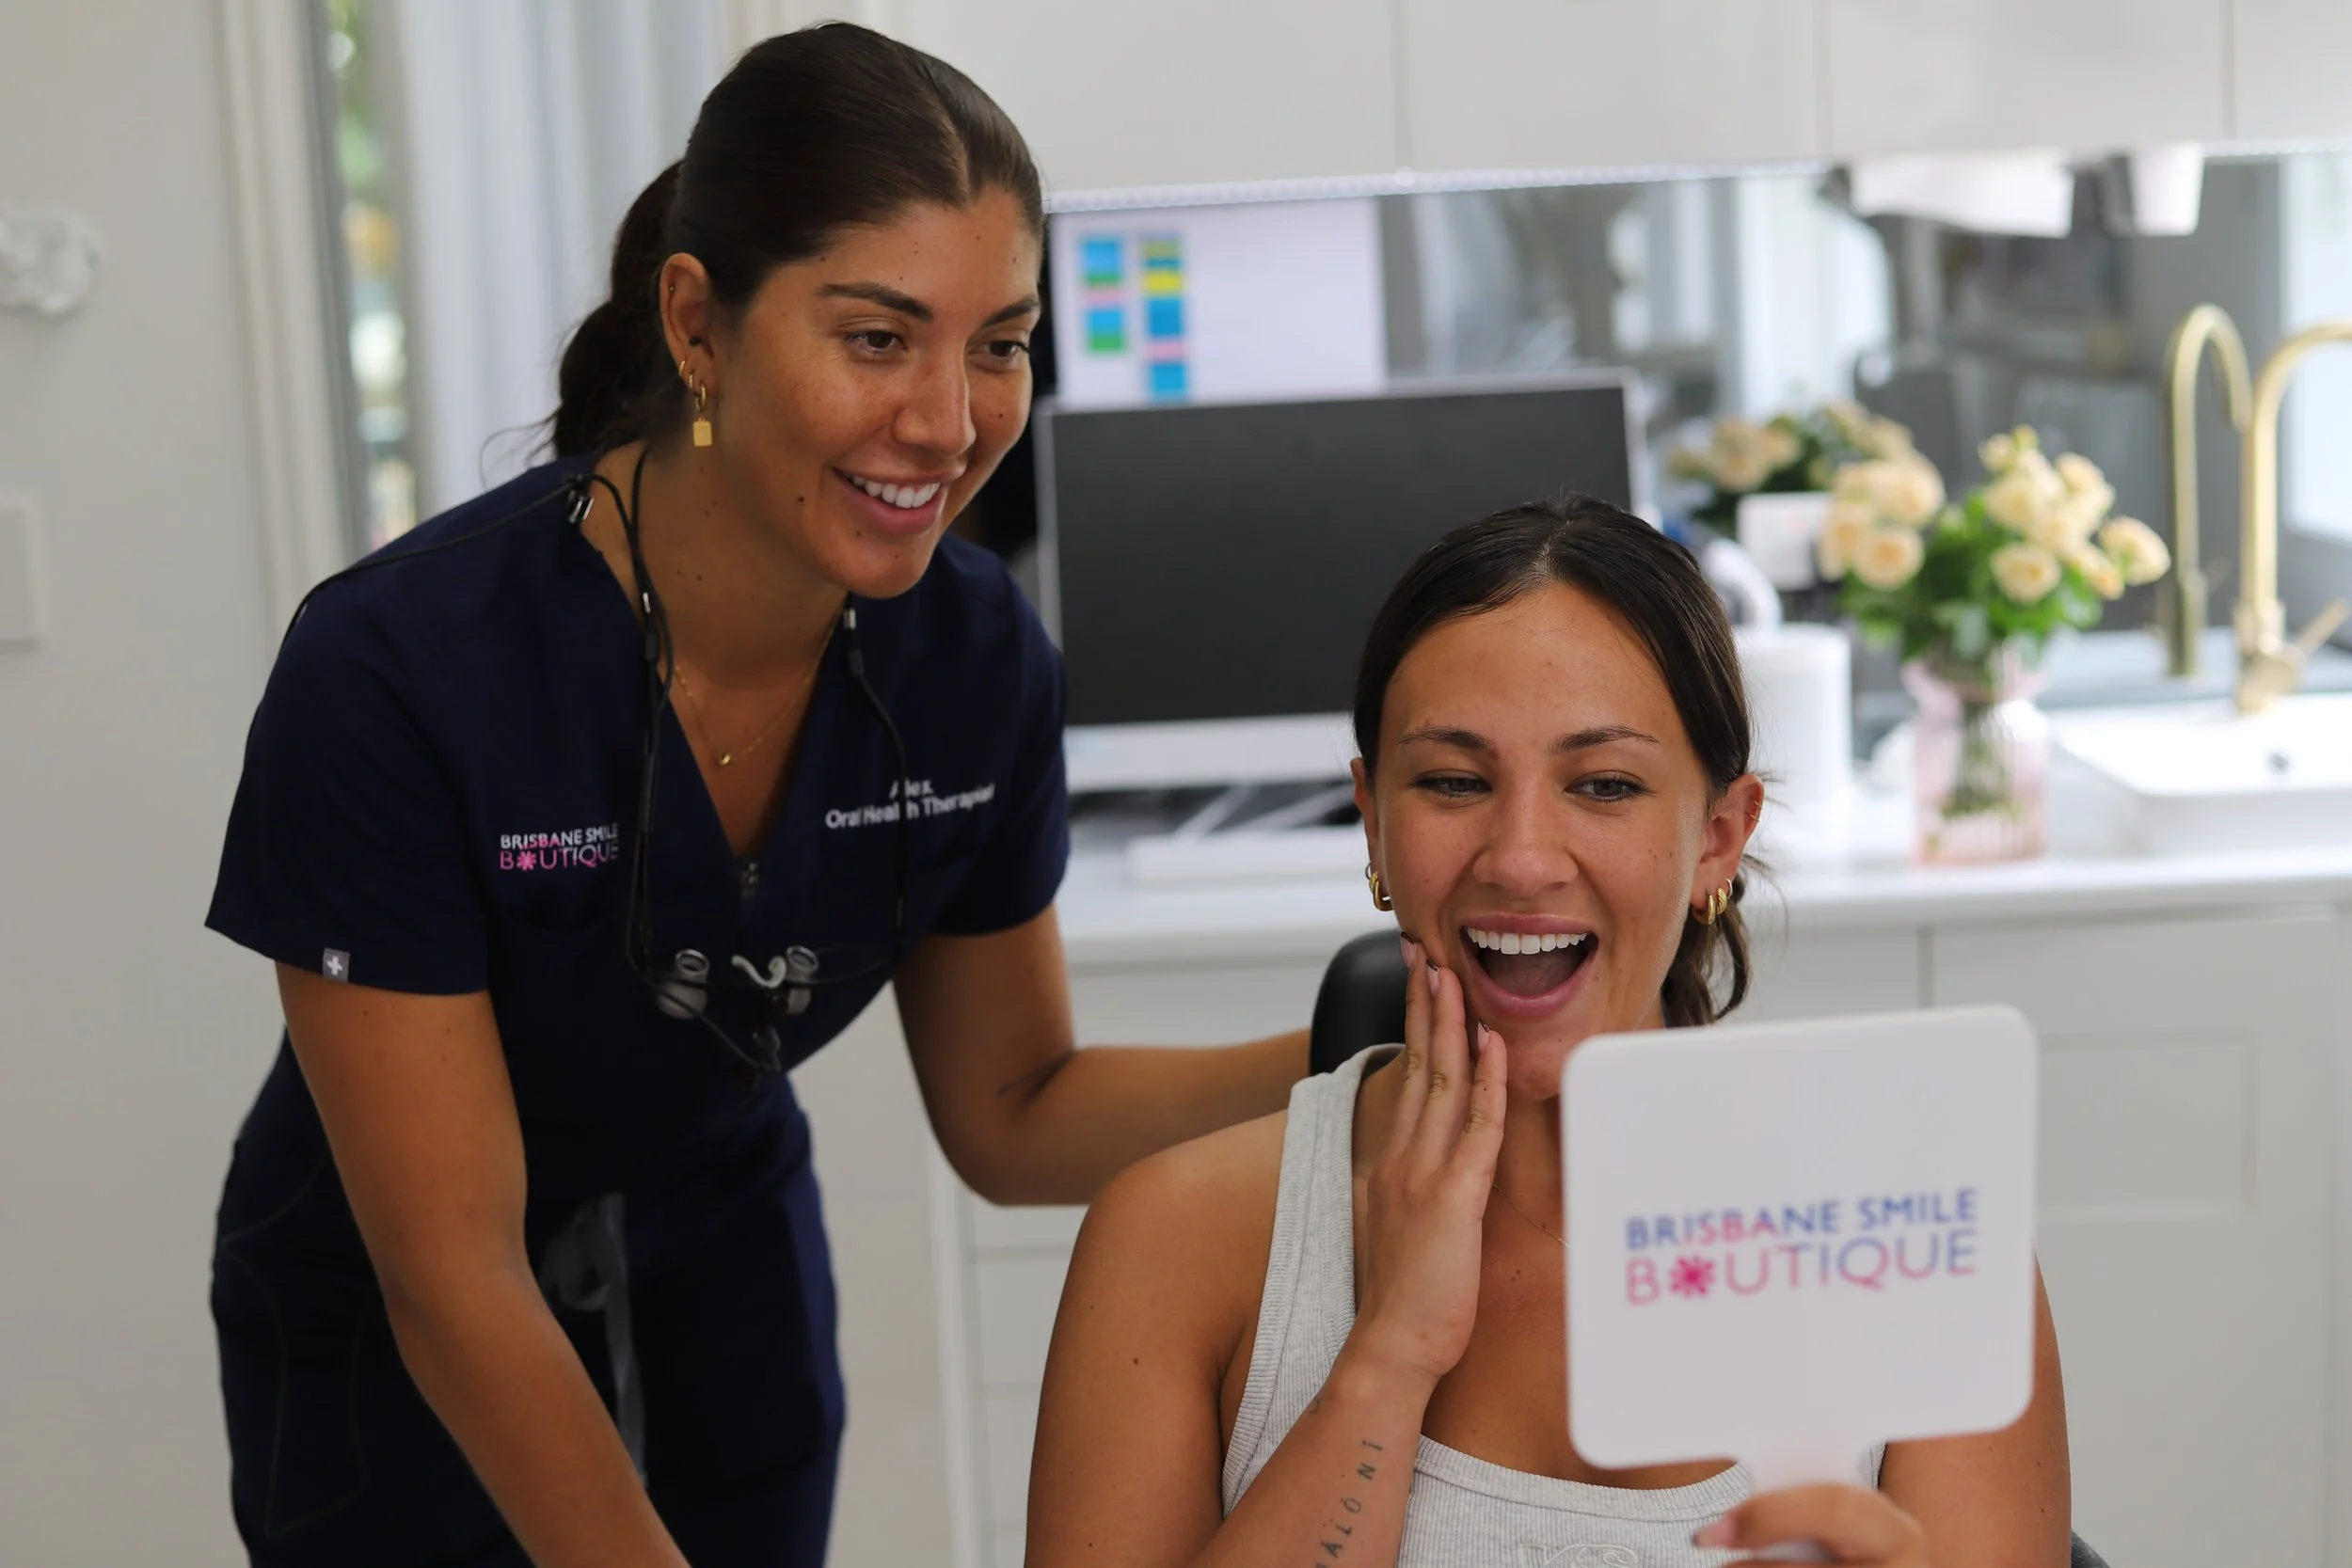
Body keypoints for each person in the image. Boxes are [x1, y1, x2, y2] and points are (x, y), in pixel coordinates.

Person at [204, 24, 1305, 1568]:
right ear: (697, 324)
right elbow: (455, 1269)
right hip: (405, 1319)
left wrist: (1366, 1057)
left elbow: (1016, 1111)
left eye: (999, 342)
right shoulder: (398, 669)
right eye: (878, 337)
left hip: (725, 1268)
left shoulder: (976, 659)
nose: (950, 420)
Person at [1028, 497, 2072, 1567]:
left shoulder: (1915, 1242)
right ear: (1373, 822)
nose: (1521, 858)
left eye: (1605, 784)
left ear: (1718, 837)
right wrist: (1388, 1355)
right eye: (1453, 781)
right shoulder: (1174, 1240)